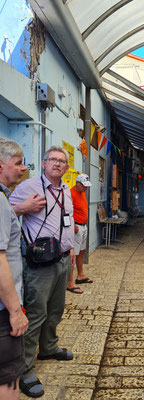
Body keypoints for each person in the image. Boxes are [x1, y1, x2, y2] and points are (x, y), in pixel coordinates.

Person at [10, 145, 76, 398]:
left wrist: (70, 248)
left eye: (62, 161)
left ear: (66, 167)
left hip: (62, 260)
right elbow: (6, 213)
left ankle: (49, 348)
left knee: (55, 311)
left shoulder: (65, 189)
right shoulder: (29, 188)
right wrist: (23, 208)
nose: (57, 164)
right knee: (36, 314)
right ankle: (24, 370)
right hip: (39, 264)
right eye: (53, 160)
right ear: (44, 163)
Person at [0, 138, 29, 400]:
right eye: (18, 163)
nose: (23, 168)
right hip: (2, 310)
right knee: (8, 378)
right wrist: (15, 311)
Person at [67, 174, 93, 294]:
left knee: (81, 251)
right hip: (76, 227)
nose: (85, 189)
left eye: (87, 186)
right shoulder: (70, 193)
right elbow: (66, 211)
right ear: (77, 183)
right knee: (73, 254)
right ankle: (70, 282)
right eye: (84, 186)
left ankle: (80, 275)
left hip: (83, 226)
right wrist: (73, 226)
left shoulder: (82, 193)